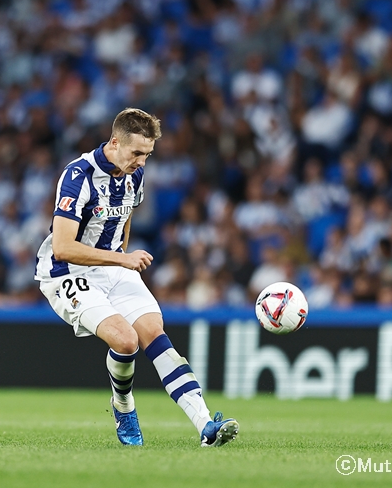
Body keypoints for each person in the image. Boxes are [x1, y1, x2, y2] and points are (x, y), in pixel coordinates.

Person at [35, 108, 239, 447]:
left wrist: (120, 258)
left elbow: (125, 214)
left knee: (155, 335)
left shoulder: (134, 174)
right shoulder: (78, 176)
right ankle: (123, 405)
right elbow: (62, 247)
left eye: (148, 154)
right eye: (137, 153)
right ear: (115, 143)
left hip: (113, 267)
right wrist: (122, 258)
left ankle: (206, 425)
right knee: (126, 341)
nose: (142, 161)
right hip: (67, 273)